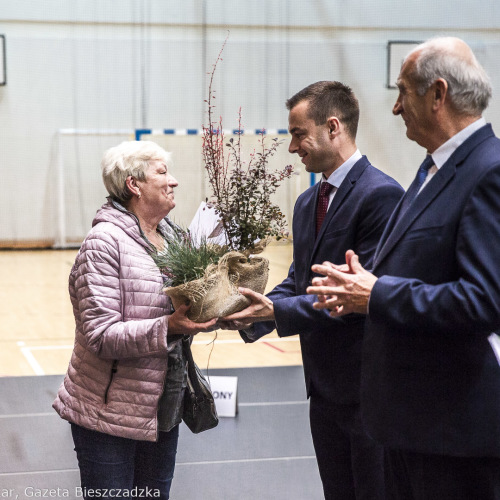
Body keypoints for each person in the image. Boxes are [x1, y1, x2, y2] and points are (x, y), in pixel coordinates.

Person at [307, 37, 500, 500]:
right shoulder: (430, 170)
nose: (394, 108)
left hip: (453, 435)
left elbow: (485, 300)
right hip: (411, 426)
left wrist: (376, 294)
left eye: (402, 92)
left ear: (437, 94)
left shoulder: (487, 172)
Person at [220, 81, 403, 499]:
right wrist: (252, 310)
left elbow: (358, 299)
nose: (291, 147)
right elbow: (300, 280)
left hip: (366, 390)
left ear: (333, 127)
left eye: (299, 134)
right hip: (322, 391)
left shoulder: (382, 195)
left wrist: (276, 313)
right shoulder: (308, 202)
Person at [53, 141, 217, 499]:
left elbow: (190, 308)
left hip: (164, 408)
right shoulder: (103, 243)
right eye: (162, 172)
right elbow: (101, 335)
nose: (173, 182)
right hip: (109, 416)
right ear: (133, 185)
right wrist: (169, 327)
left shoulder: (175, 239)